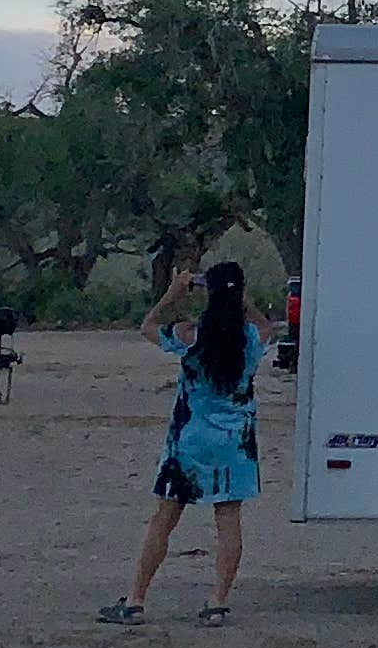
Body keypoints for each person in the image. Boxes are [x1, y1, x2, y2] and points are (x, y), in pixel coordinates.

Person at [102, 259, 265, 626]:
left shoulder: (191, 335)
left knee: (163, 520)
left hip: (189, 440)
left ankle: (136, 599)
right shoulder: (250, 339)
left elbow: (148, 326)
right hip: (234, 443)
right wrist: (241, 300)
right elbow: (266, 326)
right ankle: (216, 602)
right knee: (228, 520)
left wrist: (172, 294)